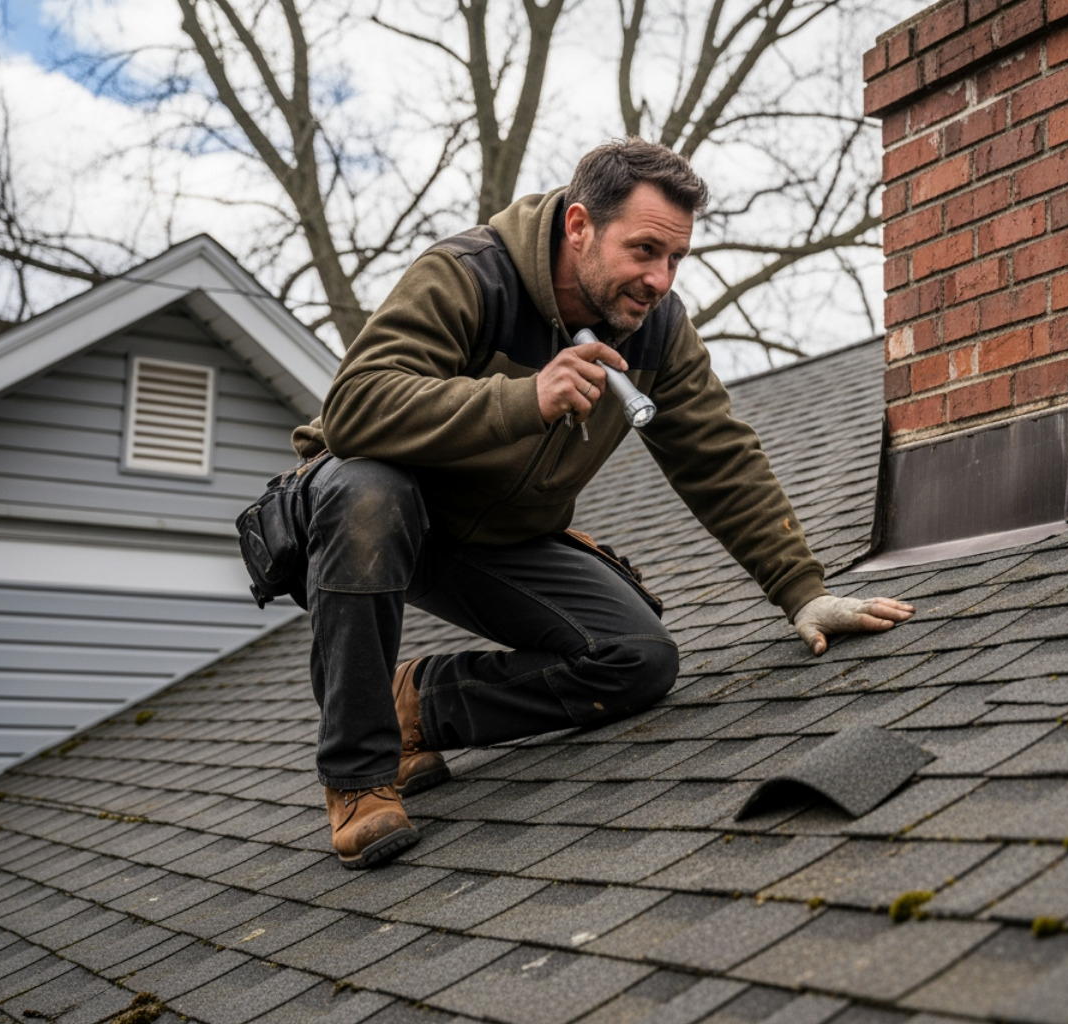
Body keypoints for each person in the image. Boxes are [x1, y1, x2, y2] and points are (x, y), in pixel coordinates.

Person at [289, 138, 914, 869]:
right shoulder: (468, 276)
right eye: (644, 249)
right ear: (579, 226)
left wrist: (801, 590)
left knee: (640, 658)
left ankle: (411, 706)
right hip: (369, 514)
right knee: (370, 490)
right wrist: (526, 398)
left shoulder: (656, 326)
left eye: (675, 258)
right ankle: (359, 775)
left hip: (492, 535)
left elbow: (716, 453)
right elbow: (355, 407)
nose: (659, 278)